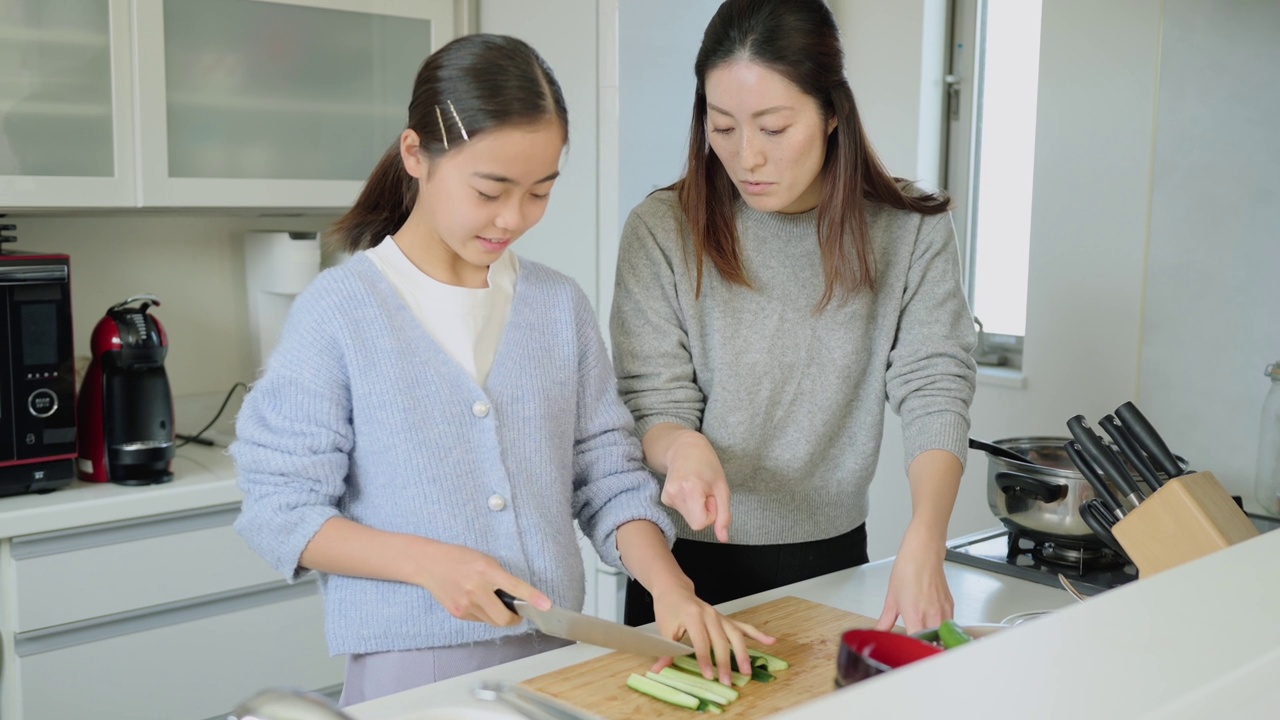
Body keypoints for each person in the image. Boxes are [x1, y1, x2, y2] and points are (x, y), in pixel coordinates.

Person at [230, 33, 771, 708]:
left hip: (555, 657)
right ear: (414, 156)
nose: (514, 218)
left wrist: (670, 587)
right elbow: (280, 508)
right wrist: (429, 564)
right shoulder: (338, 313)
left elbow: (606, 474)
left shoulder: (556, 305)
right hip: (412, 665)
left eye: (540, 191)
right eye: (490, 190)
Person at [610, 0, 978, 634]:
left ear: (832, 113)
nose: (746, 156)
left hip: (833, 559)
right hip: (682, 572)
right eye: (722, 128)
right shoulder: (662, 230)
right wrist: (683, 446)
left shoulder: (908, 230)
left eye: (773, 128)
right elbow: (652, 402)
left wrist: (927, 536)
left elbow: (934, 384)